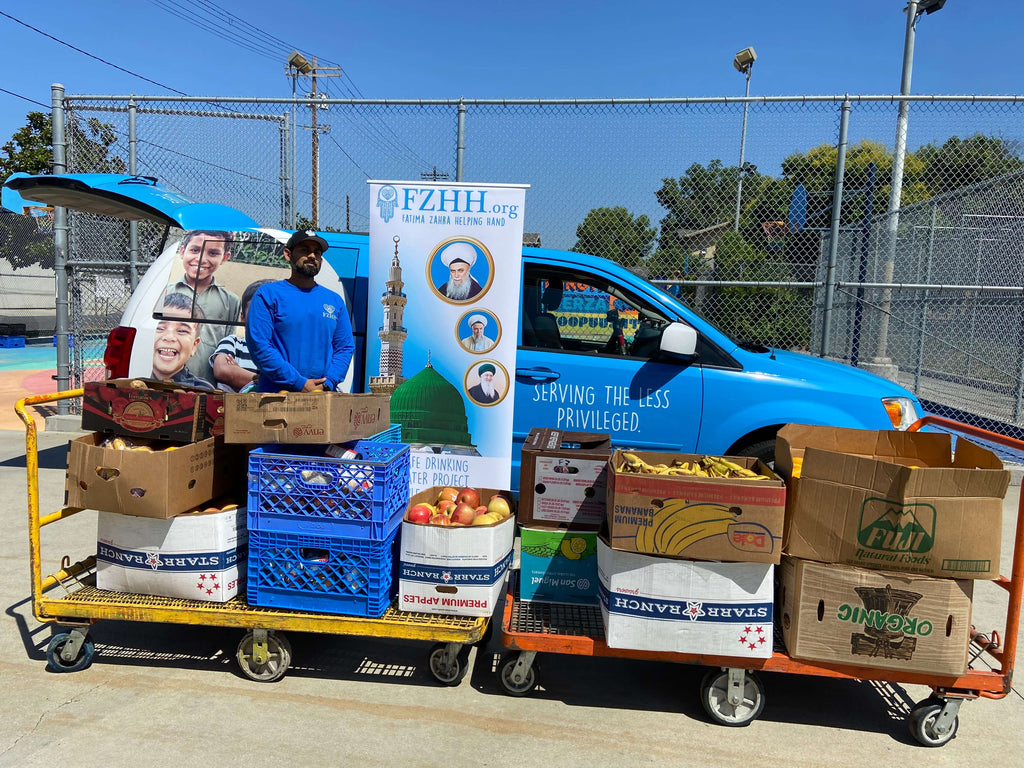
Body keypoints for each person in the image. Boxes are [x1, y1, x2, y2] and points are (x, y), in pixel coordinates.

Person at [246, 229, 355, 392]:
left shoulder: (334, 301)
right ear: (288, 254)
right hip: (276, 397)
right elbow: (259, 345)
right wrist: (298, 383)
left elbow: (345, 347)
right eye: (304, 250)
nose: (312, 256)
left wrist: (328, 383)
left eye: (317, 252)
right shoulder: (268, 294)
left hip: (322, 396)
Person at [163, 230, 241, 383]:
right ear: (182, 251)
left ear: (225, 258)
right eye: (195, 250)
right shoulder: (164, 293)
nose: (201, 259)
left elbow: (228, 348)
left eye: (213, 253)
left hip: (208, 385)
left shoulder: (231, 301)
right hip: (165, 381)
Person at [209, 279, 274, 392]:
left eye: (271, 311)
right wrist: (271, 382)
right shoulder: (233, 343)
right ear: (242, 318)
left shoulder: (286, 350)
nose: (264, 318)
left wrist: (239, 375)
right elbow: (222, 370)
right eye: (256, 311)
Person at [151, 293, 215, 389]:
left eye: (181, 331)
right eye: (159, 328)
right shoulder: (130, 376)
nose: (169, 337)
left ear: (194, 346)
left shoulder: (201, 390)